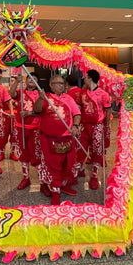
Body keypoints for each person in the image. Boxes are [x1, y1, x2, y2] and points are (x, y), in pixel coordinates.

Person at [33, 74, 82, 206]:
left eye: (62, 83)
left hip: (67, 137)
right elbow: (37, 110)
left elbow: (77, 113)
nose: (62, 86)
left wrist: (76, 125)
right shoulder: (46, 97)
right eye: (58, 83)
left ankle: (62, 185)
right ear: (51, 85)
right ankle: (55, 191)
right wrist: (40, 98)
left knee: (67, 164)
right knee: (52, 165)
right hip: (49, 138)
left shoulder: (68, 98)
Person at [78, 70, 111, 190]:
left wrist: (106, 127)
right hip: (83, 125)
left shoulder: (103, 94)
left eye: (85, 77)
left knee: (97, 150)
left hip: (97, 125)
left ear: (90, 78)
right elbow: (78, 109)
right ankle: (79, 170)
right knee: (80, 148)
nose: (84, 79)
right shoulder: (82, 93)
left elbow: (108, 111)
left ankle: (94, 176)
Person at [9, 74, 43, 191]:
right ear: (26, 80)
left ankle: (43, 182)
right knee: (23, 153)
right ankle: (26, 178)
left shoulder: (41, 94)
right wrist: (16, 82)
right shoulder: (21, 92)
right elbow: (11, 94)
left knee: (36, 154)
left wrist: (30, 113)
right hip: (20, 127)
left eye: (35, 79)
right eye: (30, 79)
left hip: (35, 128)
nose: (32, 81)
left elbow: (41, 111)